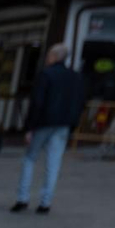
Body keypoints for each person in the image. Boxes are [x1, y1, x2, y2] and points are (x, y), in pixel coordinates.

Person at [13, 43, 85, 213]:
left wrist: (29, 127)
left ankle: (22, 198)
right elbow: (80, 102)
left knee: (30, 158)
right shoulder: (75, 77)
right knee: (54, 163)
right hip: (63, 124)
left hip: (43, 122)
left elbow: (37, 102)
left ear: (53, 56)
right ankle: (45, 202)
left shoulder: (45, 75)